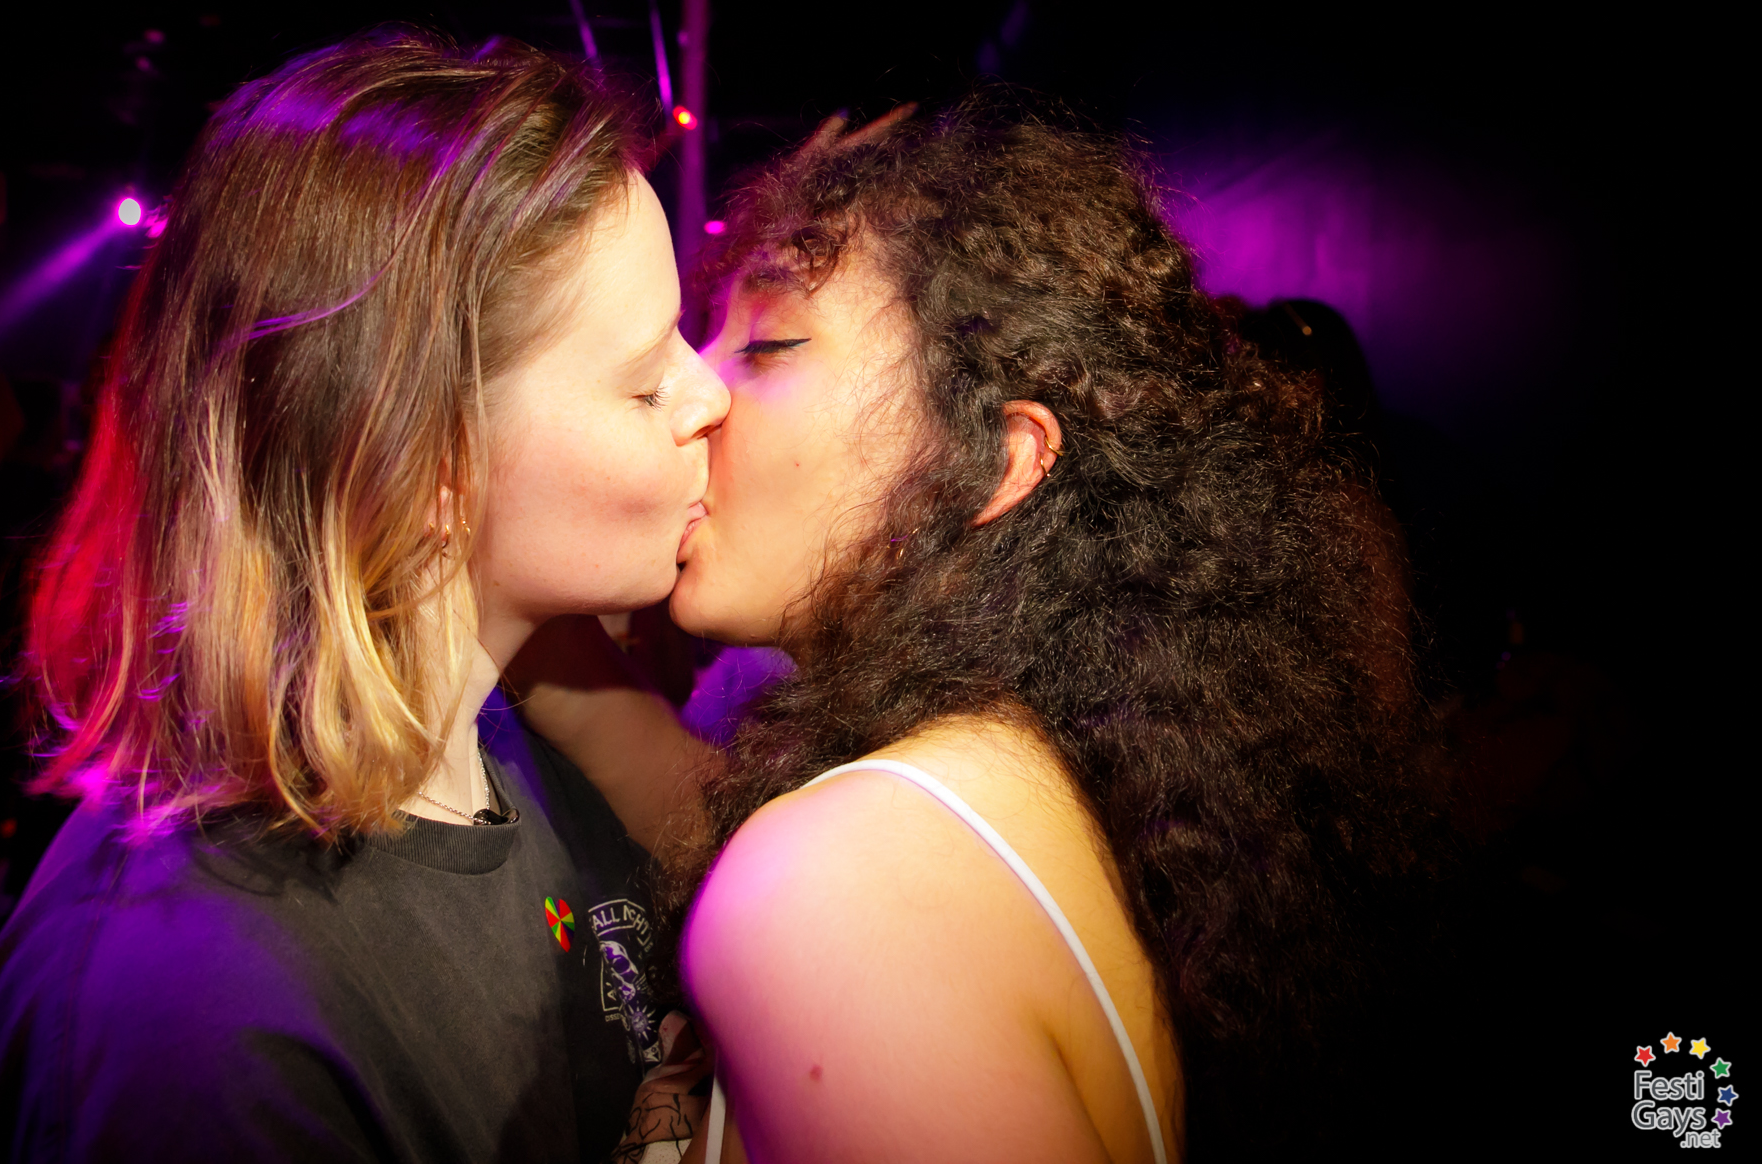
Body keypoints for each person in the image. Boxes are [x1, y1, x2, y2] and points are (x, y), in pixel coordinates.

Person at [517, 102, 1439, 1161]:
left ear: (993, 462)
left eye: (765, 344)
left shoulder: (843, 890)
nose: (694, 390)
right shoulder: (1030, 772)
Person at [0, 30, 730, 1163]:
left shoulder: (523, 749)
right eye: (646, 382)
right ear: (424, 464)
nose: (709, 395)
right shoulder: (202, 1029)